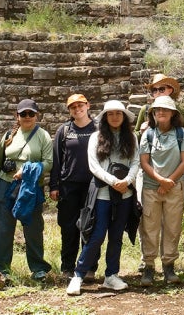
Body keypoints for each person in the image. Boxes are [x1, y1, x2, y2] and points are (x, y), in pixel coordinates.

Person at [66, 100, 140, 296]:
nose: (115, 117)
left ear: (124, 116)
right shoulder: (95, 137)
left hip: (125, 193)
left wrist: (127, 180)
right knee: (96, 235)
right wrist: (113, 181)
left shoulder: (131, 137)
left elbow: (135, 162)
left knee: (116, 236)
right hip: (102, 194)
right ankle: (79, 275)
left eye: (118, 113)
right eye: (110, 114)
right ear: (105, 117)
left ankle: (111, 275)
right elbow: (94, 166)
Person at [0, 99, 53, 282]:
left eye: (31, 113)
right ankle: (1, 270)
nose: (27, 117)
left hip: (30, 187)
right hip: (6, 185)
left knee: (33, 229)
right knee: (3, 228)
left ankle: (38, 268)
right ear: (16, 116)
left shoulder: (43, 136)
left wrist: (27, 170)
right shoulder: (9, 135)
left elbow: (49, 162)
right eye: (23, 114)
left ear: (36, 115)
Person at [138, 95, 184, 286]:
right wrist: (161, 180)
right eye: (158, 110)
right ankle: (149, 266)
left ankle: (169, 266)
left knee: (172, 227)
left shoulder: (181, 134)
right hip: (151, 188)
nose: (161, 112)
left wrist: (169, 181)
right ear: (153, 113)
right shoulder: (148, 134)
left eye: (165, 110)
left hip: (174, 188)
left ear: (173, 113)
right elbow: (144, 162)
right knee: (149, 228)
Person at [49, 94, 98, 280]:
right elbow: (57, 159)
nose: (77, 109)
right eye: (73, 107)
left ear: (88, 105)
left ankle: (89, 268)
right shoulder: (64, 131)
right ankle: (67, 268)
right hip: (68, 186)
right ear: (69, 110)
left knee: (89, 227)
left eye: (80, 105)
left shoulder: (98, 129)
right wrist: (54, 186)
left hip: (92, 186)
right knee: (68, 228)